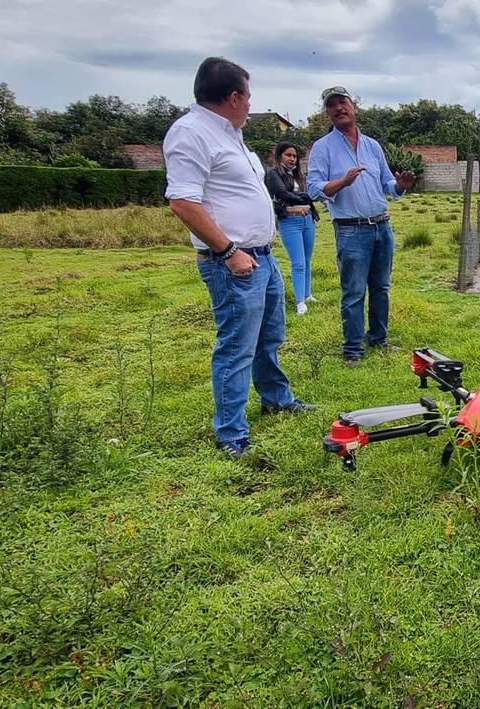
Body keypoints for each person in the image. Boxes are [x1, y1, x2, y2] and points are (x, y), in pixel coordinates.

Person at [163, 57, 315, 459]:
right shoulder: (191, 133)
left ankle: (276, 398)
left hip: (261, 258)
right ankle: (231, 432)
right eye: (248, 96)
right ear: (233, 97)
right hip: (232, 262)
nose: (250, 104)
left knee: (269, 338)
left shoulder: (230, 135)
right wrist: (228, 251)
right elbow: (182, 201)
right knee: (236, 346)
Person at [307, 86, 417, 365]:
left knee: (381, 287)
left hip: (382, 226)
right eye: (332, 105)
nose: (339, 107)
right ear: (327, 113)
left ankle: (378, 339)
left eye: (343, 101)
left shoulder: (372, 145)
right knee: (354, 291)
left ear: (354, 106)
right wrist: (342, 182)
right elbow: (313, 189)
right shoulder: (322, 148)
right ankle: (353, 349)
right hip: (351, 229)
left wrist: (401, 186)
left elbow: (386, 185)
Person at [265, 141, 319, 315]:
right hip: (290, 220)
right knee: (298, 263)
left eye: (294, 156)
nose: (292, 159)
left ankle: (307, 293)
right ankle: (299, 301)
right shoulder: (274, 174)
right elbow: (283, 194)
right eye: (288, 155)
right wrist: (306, 197)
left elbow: (300, 197)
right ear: (280, 156)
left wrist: (304, 198)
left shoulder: (298, 176)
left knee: (308, 260)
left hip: (307, 219)